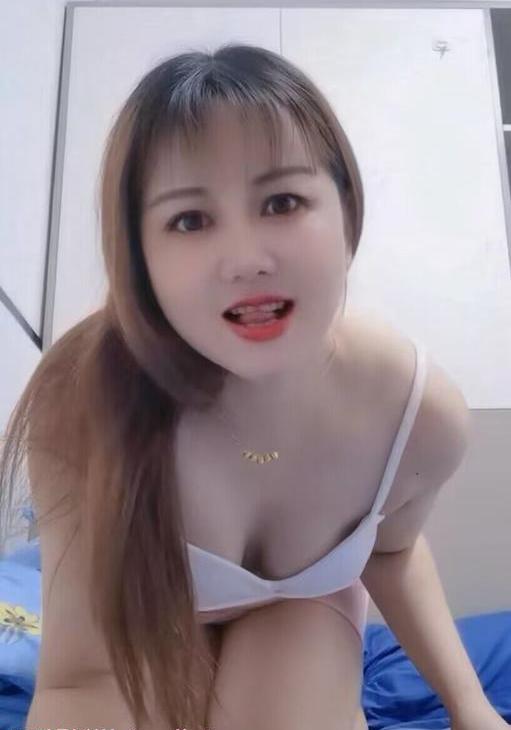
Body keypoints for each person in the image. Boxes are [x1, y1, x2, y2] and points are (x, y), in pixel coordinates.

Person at [0, 43, 507, 730]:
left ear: (346, 210)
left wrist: (470, 706)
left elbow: (392, 552)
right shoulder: (82, 398)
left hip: (305, 616)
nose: (245, 260)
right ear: (138, 254)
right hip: (142, 627)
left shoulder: (417, 413)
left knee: (296, 657)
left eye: (282, 202)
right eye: (189, 220)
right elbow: (78, 673)